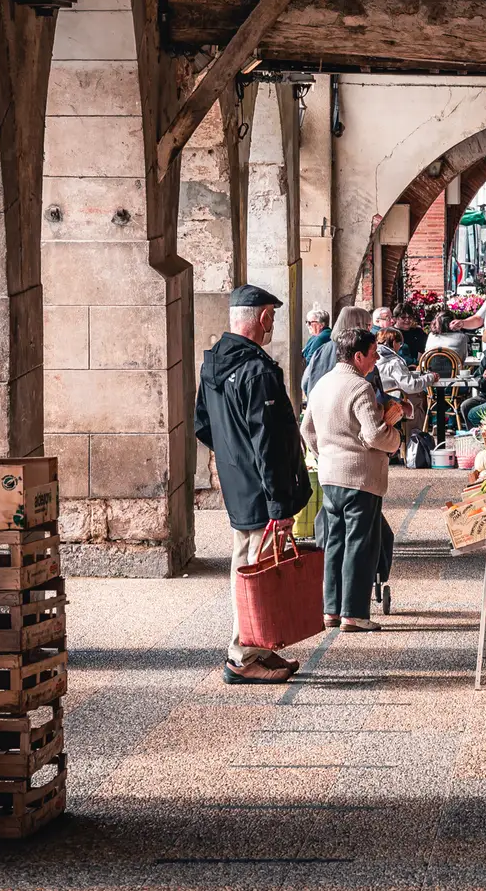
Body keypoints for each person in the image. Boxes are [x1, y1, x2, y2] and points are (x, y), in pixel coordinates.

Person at [194, 285, 312, 684]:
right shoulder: (257, 371)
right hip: (262, 489)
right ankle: (242, 655)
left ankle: (257, 645)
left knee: (252, 563)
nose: (273, 323)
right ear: (262, 318)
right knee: (251, 567)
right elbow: (271, 445)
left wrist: (233, 460)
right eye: (272, 316)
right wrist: (280, 506)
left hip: (240, 483)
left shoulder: (212, 365)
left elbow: (203, 426)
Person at [300, 328, 405, 631]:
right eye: (373, 354)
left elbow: (307, 429)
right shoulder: (360, 387)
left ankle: (330, 610)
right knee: (360, 543)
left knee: (335, 542)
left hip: (330, 475)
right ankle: (354, 613)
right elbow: (373, 434)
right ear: (358, 356)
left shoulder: (321, 384)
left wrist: (327, 453)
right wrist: (395, 438)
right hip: (360, 478)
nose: (375, 360)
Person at [302, 305, 372, 395]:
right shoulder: (358, 351)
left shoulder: (322, 349)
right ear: (358, 325)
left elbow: (305, 382)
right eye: (368, 325)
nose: (369, 330)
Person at [300, 307, 332, 375]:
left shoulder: (320, 338)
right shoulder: (317, 336)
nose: (307, 325)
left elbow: (310, 362)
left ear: (321, 325)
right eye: (306, 322)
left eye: (310, 322)